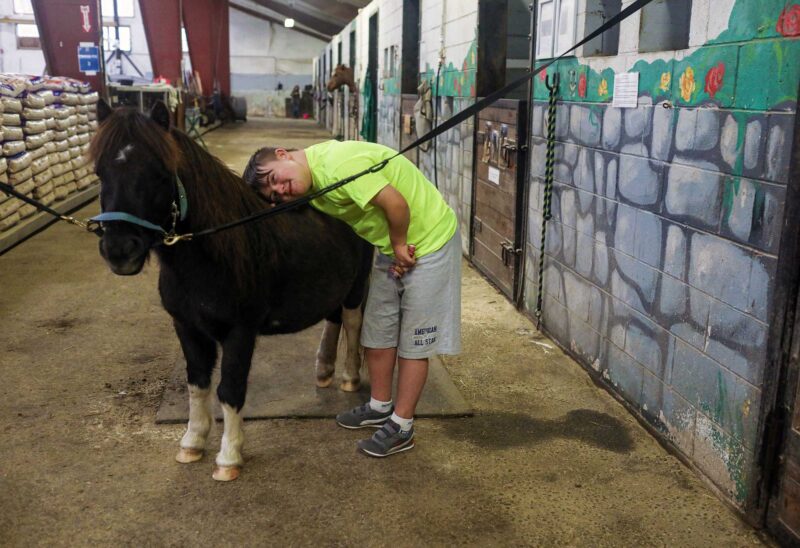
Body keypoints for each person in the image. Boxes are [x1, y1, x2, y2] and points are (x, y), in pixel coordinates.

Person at [244, 140, 461, 457]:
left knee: (414, 343)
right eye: (275, 195)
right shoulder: (311, 186)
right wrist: (395, 248)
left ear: (282, 154)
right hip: (393, 244)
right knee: (376, 333)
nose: (281, 191)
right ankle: (379, 405)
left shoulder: (337, 166)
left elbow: (396, 204)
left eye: (274, 179)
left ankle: (402, 426)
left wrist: (400, 246)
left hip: (429, 240)